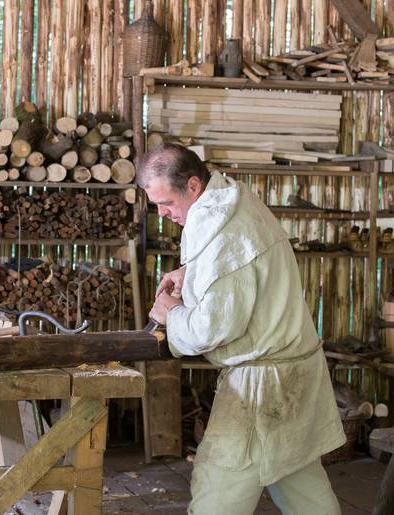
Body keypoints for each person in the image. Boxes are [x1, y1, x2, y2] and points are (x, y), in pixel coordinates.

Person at [140, 143, 345, 514]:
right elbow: (241, 272)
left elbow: (210, 329)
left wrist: (172, 313)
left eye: (166, 202)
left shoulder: (224, 232)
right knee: (302, 486)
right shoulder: (232, 203)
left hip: (261, 386)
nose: (162, 213)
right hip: (287, 373)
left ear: (192, 186)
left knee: (219, 488)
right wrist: (191, 273)